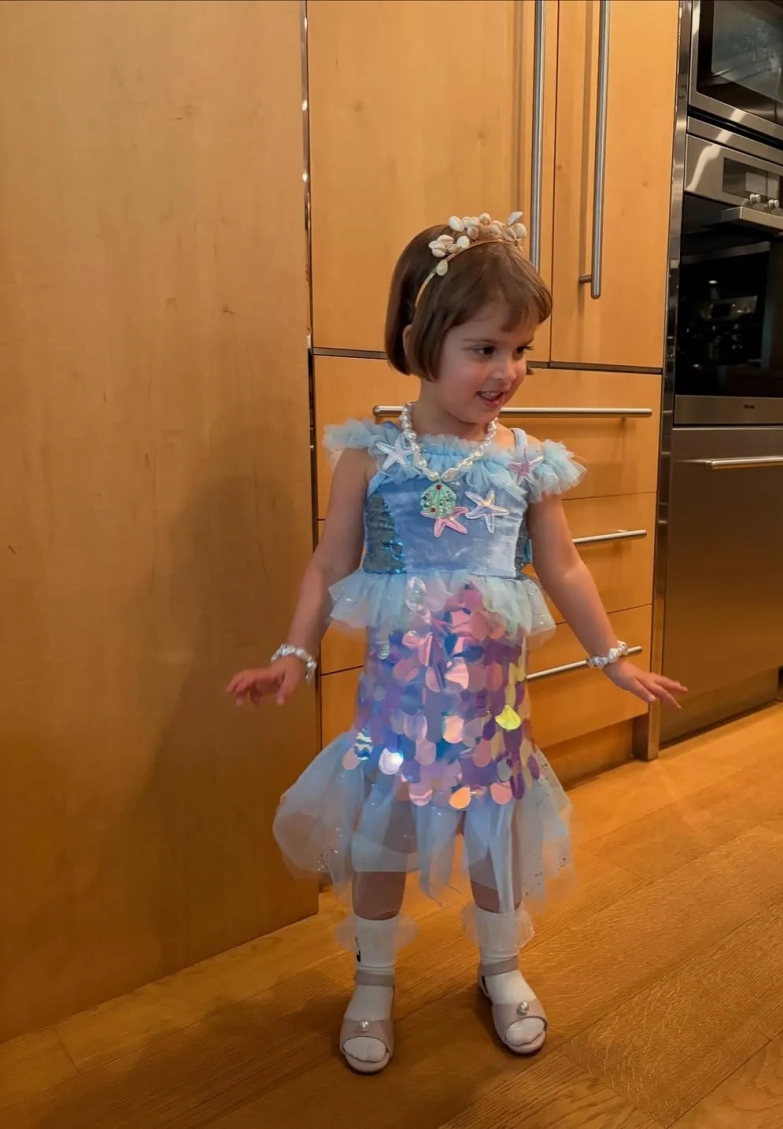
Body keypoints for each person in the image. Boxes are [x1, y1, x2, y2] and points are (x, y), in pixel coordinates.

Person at [227, 213, 686, 1074]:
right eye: (484, 349)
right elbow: (330, 561)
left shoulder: (527, 462)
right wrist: (294, 652)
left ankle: (501, 965)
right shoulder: (372, 456)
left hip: (491, 719)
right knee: (381, 839)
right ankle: (373, 978)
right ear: (419, 343)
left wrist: (612, 657)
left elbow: (565, 567)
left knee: (494, 836)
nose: (507, 370)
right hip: (396, 720)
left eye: (521, 350)